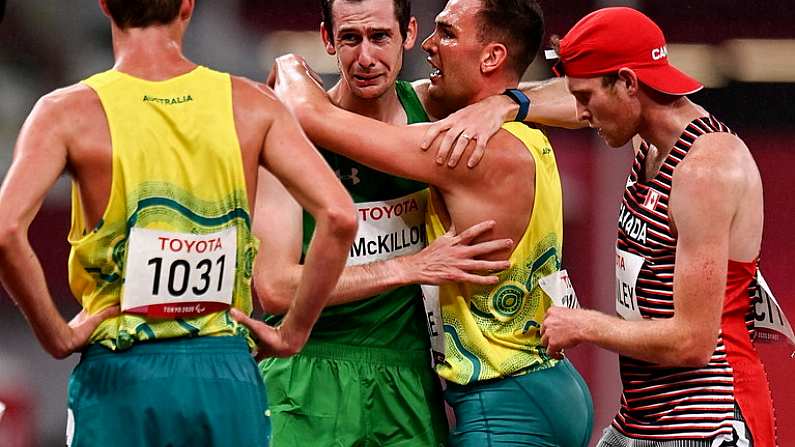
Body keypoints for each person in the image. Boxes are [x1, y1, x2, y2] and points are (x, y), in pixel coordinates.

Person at [0, 1, 357, 446]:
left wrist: (55, 334)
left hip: (120, 371)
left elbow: (6, 230)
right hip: (225, 371)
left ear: (106, 5)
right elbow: (340, 217)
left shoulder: (65, 112)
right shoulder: (251, 104)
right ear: (188, 5)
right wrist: (292, 332)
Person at [269, 1, 594, 445]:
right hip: (311, 374)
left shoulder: (448, 128)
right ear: (327, 39)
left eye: (380, 36)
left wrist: (505, 103)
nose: (366, 57)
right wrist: (406, 268)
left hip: (423, 383)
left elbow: (582, 99)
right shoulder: (288, 131)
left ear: (406, 33)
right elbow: (273, 289)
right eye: (350, 38)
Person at [529, 7, 776, 447]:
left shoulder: (705, 170)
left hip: (709, 419)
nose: (581, 113)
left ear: (627, 83)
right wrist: (505, 105)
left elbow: (692, 342)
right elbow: (568, 103)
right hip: (644, 415)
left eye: (587, 97)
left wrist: (585, 325)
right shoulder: (649, 136)